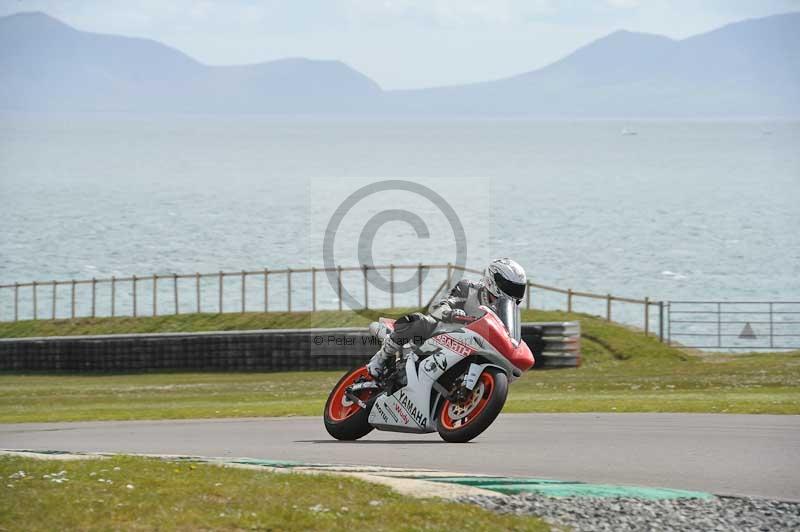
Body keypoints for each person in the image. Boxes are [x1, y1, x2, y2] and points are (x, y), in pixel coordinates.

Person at [366, 258, 527, 378]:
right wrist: (451, 313)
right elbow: (441, 305)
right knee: (422, 321)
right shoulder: (468, 288)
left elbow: (507, 335)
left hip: (472, 348)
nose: (514, 293)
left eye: (518, 289)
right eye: (510, 287)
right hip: (443, 332)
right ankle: (379, 359)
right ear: (494, 280)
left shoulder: (505, 312)